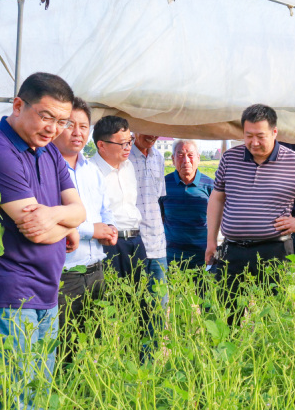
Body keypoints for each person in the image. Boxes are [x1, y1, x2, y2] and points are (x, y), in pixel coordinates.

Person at [0, 72, 86, 410]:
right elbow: (36, 232)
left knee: (37, 398)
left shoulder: (48, 152)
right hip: (6, 297)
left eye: (62, 121)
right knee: (10, 407)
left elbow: (80, 210)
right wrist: (69, 225)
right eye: (46, 116)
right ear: (18, 105)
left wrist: (60, 216)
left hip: (45, 293)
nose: (54, 129)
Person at [205, 104, 295, 325]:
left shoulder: (294, 161)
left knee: (275, 317)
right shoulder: (229, 158)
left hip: (274, 251)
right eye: (248, 136)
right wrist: (211, 241)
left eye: (260, 136)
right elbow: (217, 198)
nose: (254, 142)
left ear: (274, 132)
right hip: (233, 250)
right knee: (226, 317)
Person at [53, 97, 117, 366]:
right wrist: (93, 230)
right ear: (58, 126)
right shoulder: (46, 168)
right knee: (64, 346)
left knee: (93, 344)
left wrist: (110, 229)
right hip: (66, 273)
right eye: (70, 125)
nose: (77, 132)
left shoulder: (92, 170)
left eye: (83, 126)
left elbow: (105, 210)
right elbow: (50, 218)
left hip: (96, 270)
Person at [92, 116, 145, 284]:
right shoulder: (90, 171)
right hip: (109, 244)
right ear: (101, 145)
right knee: (112, 294)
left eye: (130, 141)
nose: (128, 147)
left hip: (135, 240)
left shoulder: (129, 166)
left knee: (139, 296)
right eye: (122, 143)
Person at [159, 139, 214, 269]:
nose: (186, 160)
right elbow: (160, 218)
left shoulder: (210, 185)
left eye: (190, 155)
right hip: (171, 258)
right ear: (173, 159)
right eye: (180, 155)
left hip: (202, 257)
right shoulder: (163, 184)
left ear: (198, 158)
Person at [129, 134, 167, 297]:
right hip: (132, 242)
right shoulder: (123, 156)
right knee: (133, 301)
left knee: (159, 303)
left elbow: (159, 198)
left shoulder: (158, 157)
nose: (152, 135)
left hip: (158, 245)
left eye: (156, 130)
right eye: (147, 129)